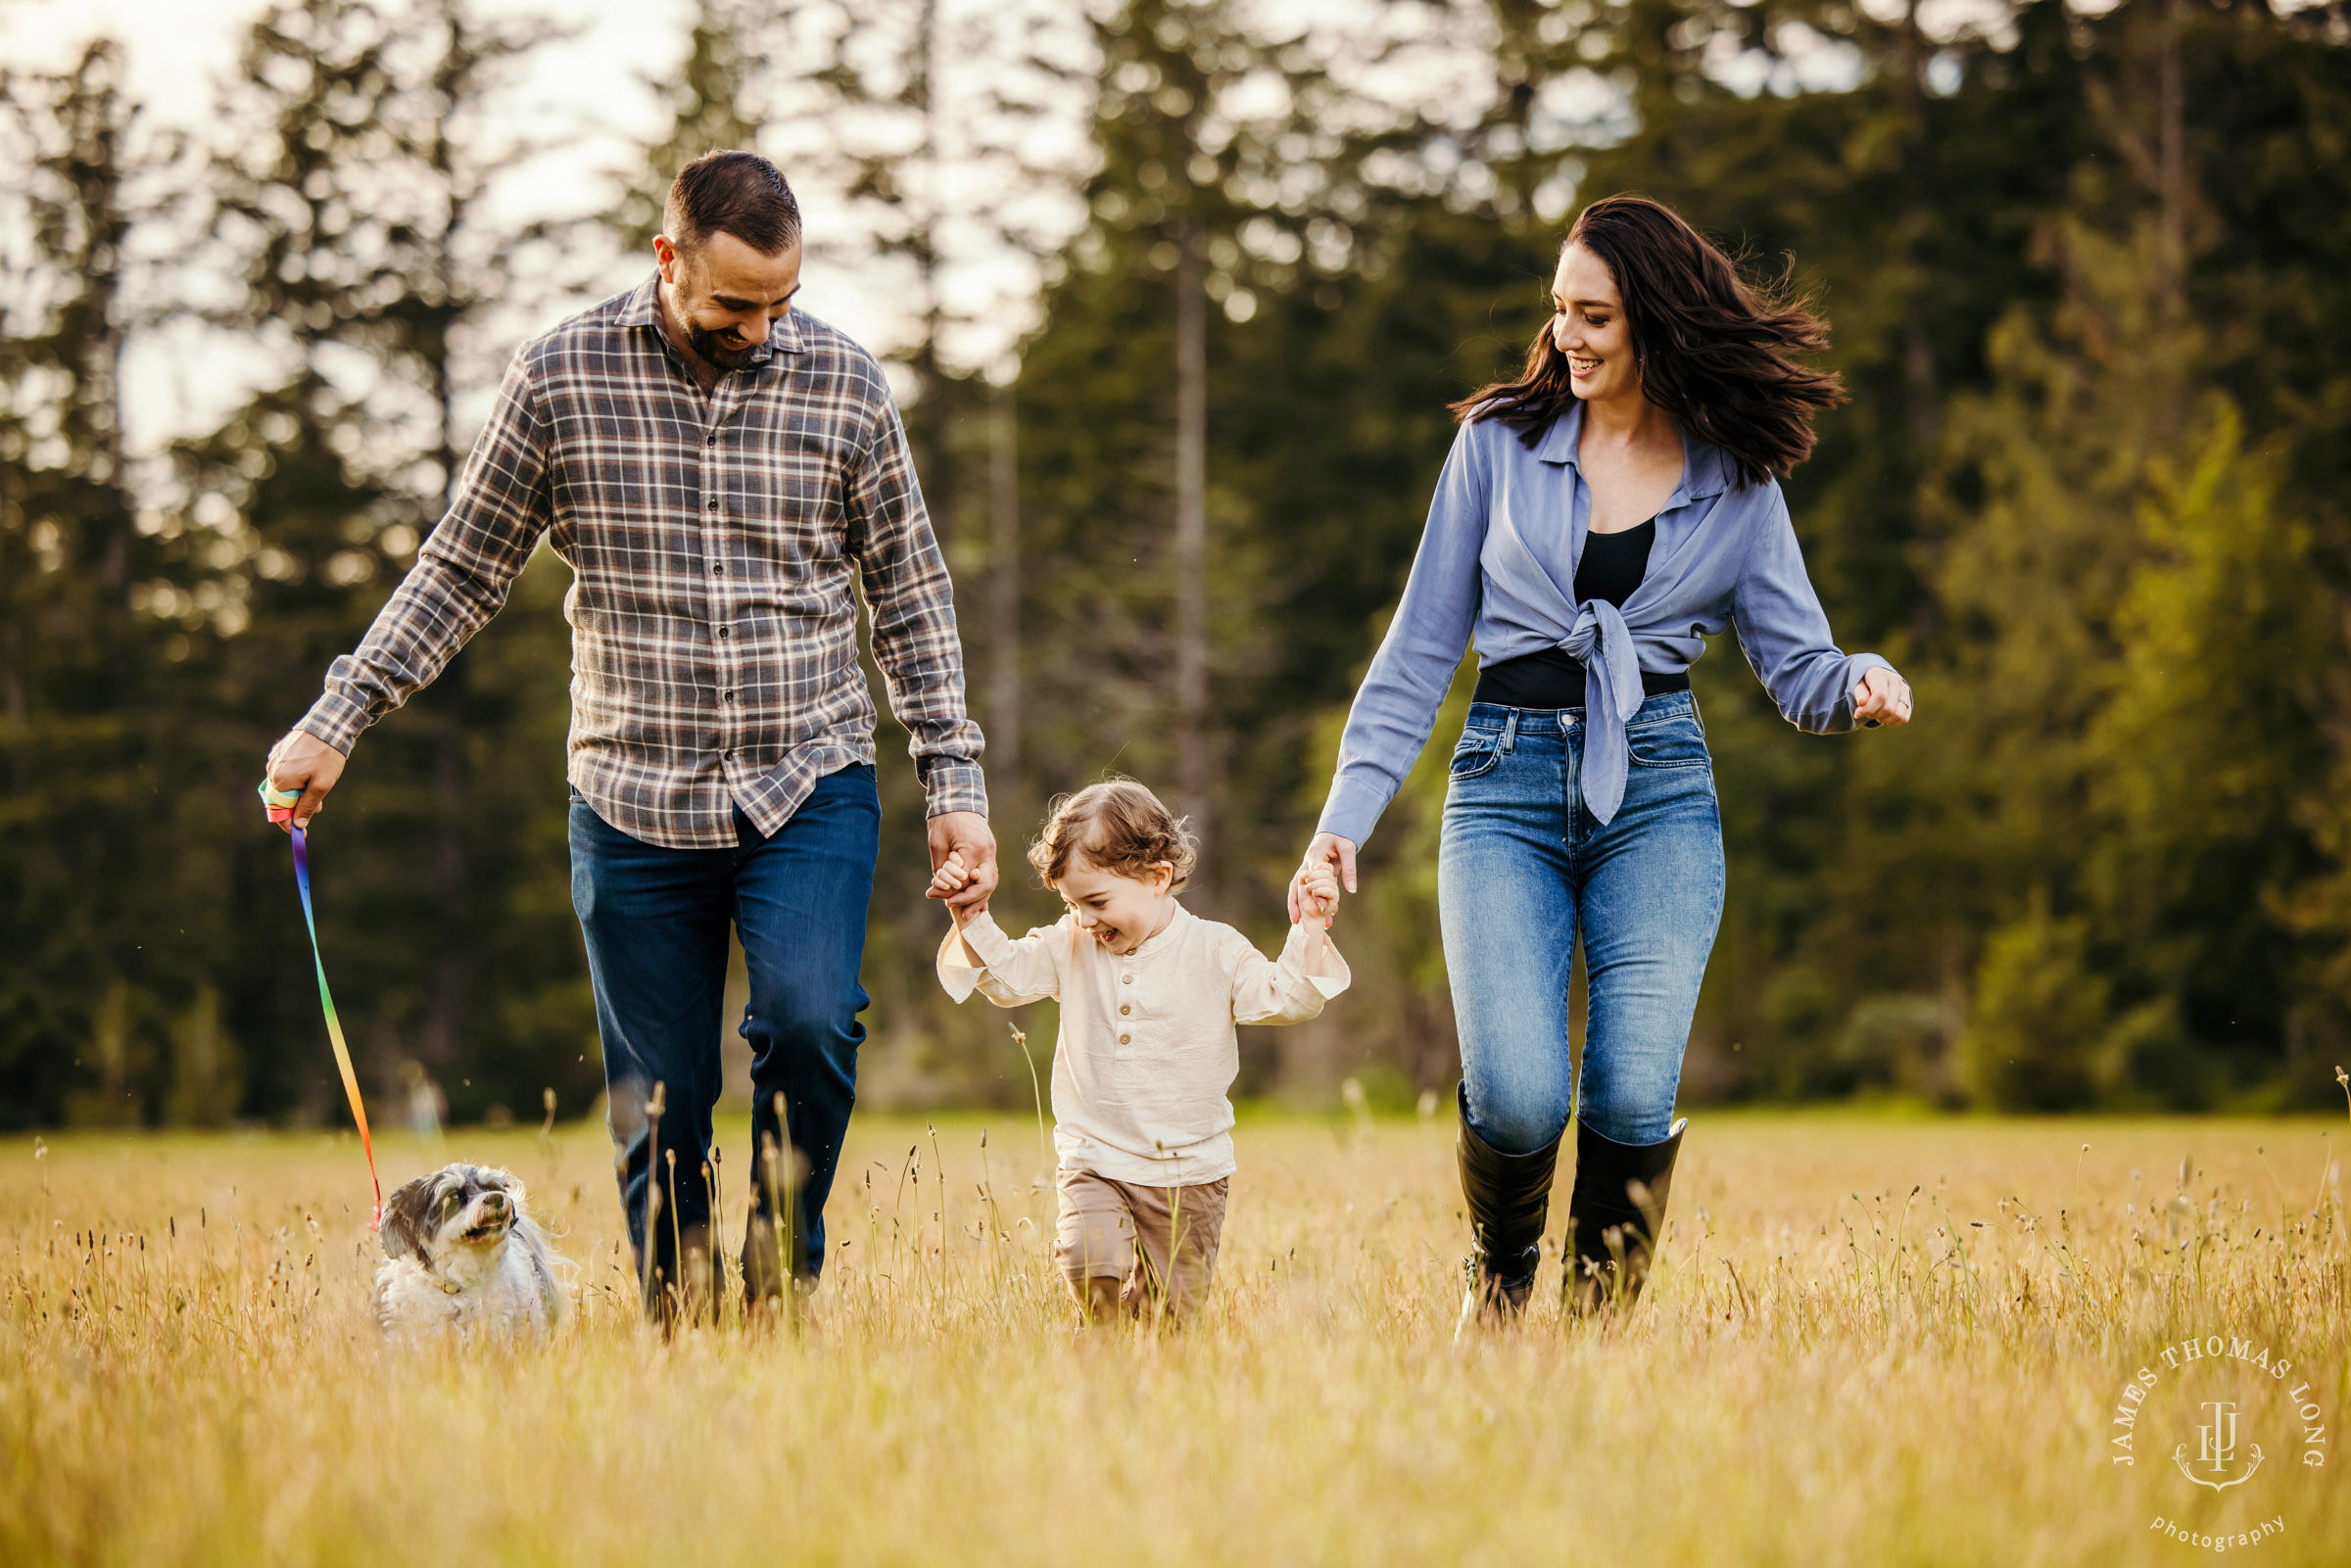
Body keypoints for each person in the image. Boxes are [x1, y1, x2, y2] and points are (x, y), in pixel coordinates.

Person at [261, 150, 998, 1321]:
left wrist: (953, 775)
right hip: (630, 794)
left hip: (808, 771)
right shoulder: (560, 376)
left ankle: (770, 1294)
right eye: (733, 307)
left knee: (809, 1023)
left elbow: (909, 589)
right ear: (667, 262)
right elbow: (461, 569)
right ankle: (680, 1319)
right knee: (661, 1093)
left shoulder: (847, 385)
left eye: (783, 303)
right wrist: (339, 716)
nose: (762, 329)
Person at [1288, 195, 1914, 1332]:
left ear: (1657, 325)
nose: (1569, 337)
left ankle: (1596, 1328)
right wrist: (1345, 821)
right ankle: (1503, 1281)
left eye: (1597, 317)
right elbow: (1420, 648)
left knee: (1630, 1087)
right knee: (1521, 1095)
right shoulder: (1496, 442)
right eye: (1559, 311)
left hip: (1661, 789)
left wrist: (1860, 681)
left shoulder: (1737, 479)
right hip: (1504, 780)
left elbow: (1798, 663)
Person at [931, 781, 1348, 1324]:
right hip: (1096, 1156)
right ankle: (1101, 1345)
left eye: (1097, 901)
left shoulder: (1216, 949)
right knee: (1088, 1263)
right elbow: (1007, 979)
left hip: (1191, 1169)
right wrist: (971, 916)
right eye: (1072, 904)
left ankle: (1139, 1377)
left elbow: (1287, 998)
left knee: (1170, 1319)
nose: (1085, 920)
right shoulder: (1071, 942)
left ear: (1158, 877)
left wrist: (1311, 925)